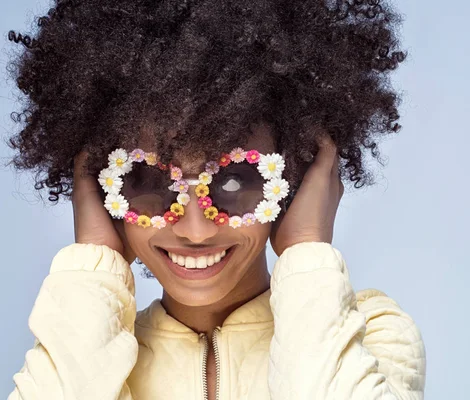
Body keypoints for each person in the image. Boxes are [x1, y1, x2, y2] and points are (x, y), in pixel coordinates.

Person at [6, 0, 426, 399]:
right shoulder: (86, 346)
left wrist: (305, 249)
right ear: (102, 190)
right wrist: (94, 260)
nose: (195, 229)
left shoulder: (370, 333)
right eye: (150, 184)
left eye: (234, 183)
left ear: (292, 181)